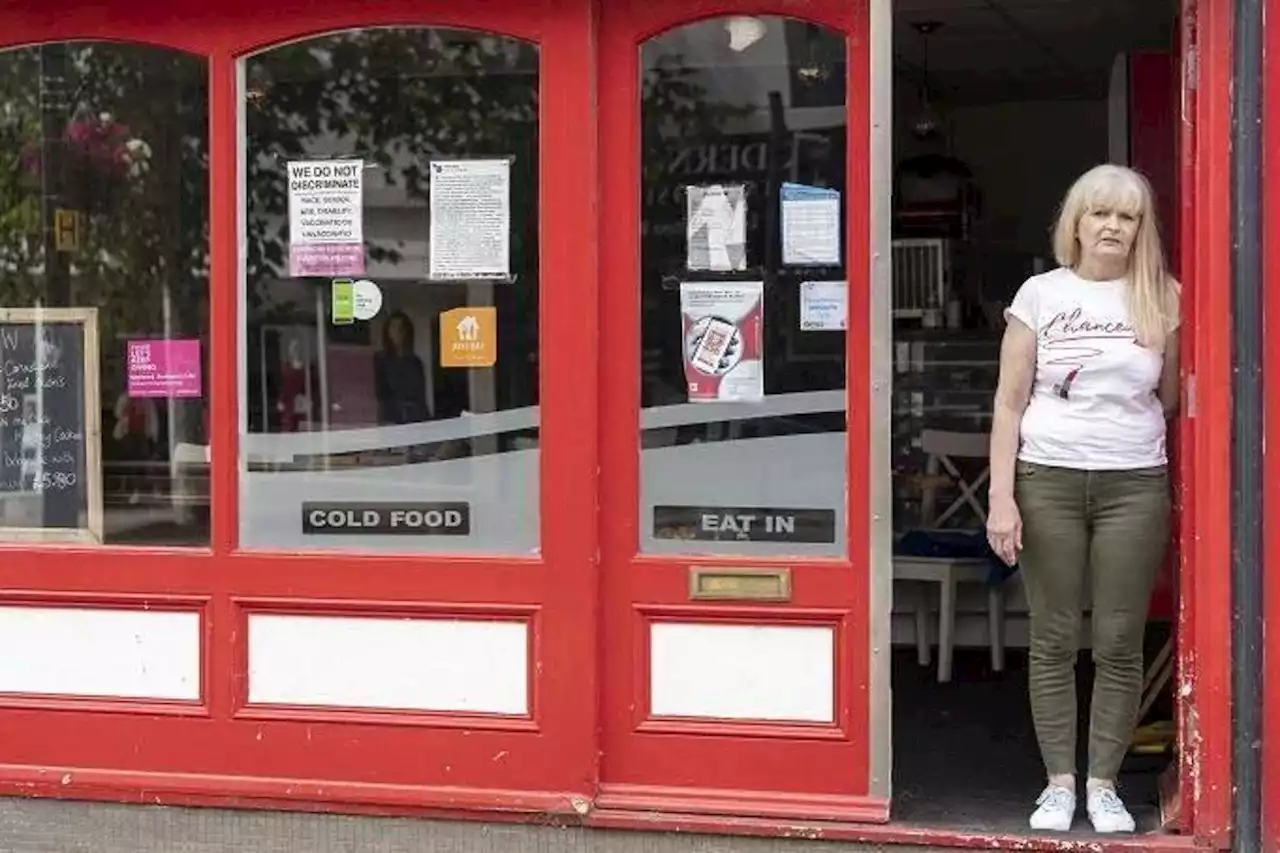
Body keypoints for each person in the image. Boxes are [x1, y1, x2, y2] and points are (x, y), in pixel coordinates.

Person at [986, 164, 1180, 834]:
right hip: (1048, 479)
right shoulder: (1040, 293)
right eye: (1100, 213)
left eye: (1126, 217)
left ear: (1139, 230)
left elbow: (1172, 399)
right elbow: (1009, 403)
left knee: (1120, 640)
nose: (1112, 227)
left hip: (1134, 482)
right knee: (1054, 636)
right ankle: (1058, 784)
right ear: (1076, 222)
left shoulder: (1162, 296)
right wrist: (1001, 499)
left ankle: (1103, 783)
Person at [374, 311, 429, 425]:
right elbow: (379, 393)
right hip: (391, 419)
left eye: (401, 328)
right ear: (387, 331)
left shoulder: (415, 362)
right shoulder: (380, 359)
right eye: (393, 327)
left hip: (414, 419)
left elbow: (420, 397)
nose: (397, 332)